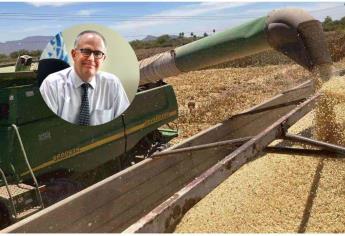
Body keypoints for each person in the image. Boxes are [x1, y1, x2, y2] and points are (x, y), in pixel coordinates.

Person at [40, 30, 130, 126]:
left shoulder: (112, 84)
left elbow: (124, 120)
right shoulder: (51, 85)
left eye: (98, 53)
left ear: (103, 59)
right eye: (86, 51)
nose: (91, 58)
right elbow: (49, 127)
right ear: (74, 54)